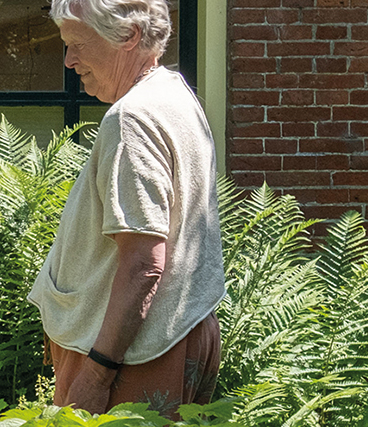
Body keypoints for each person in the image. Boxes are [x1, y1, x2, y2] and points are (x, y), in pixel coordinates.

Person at [30, 0, 226, 415]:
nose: (69, 61)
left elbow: (144, 263)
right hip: (173, 337)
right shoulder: (175, 95)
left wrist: (97, 374)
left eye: (78, 44)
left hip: (134, 358)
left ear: (129, 37)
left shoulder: (132, 117)